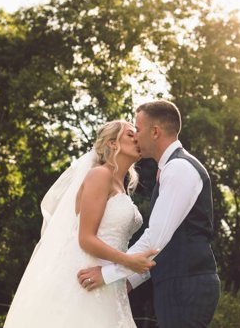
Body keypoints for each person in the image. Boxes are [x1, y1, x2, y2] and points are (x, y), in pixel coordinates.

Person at [78, 100, 220, 327]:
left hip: (186, 284)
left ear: (155, 132)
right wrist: (129, 280)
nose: (136, 135)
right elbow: (163, 246)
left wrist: (108, 274)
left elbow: (156, 240)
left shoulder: (178, 168)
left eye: (139, 129)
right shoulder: (169, 169)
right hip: (177, 283)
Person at [4, 120, 157, 328]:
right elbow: (85, 238)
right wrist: (128, 261)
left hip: (110, 280)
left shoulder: (121, 185)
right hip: (86, 273)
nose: (137, 138)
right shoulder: (100, 175)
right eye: (130, 134)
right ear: (112, 143)